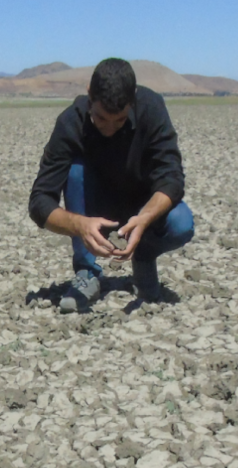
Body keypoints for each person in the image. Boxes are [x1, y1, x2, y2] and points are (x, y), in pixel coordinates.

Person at [28, 58, 194, 313]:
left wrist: (144, 219)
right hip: (94, 208)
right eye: (101, 118)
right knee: (75, 172)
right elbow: (40, 202)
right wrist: (80, 226)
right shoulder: (70, 122)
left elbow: (172, 177)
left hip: (141, 204)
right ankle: (86, 270)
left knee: (181, 223)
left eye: (119, 120)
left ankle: (144, 254)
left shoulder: (151, 108)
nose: (109, 129)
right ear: (89, 95)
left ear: (133, 101)